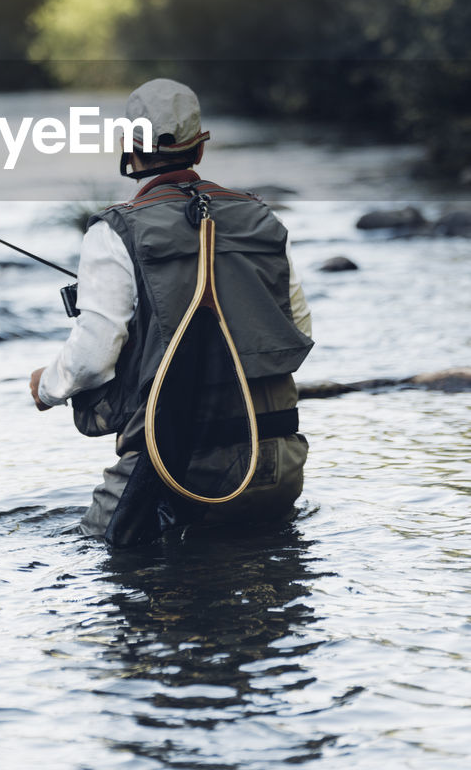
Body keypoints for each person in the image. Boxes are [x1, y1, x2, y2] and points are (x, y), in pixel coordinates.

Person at [29, 78, 313, 547]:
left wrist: (47, 386)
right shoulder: (263, 220)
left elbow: (92, 358)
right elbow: (298, 329)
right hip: (281, 469)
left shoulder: (114, 232)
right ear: (199, 150)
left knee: (92, 555)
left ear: (128, 150)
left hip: (180, 475)